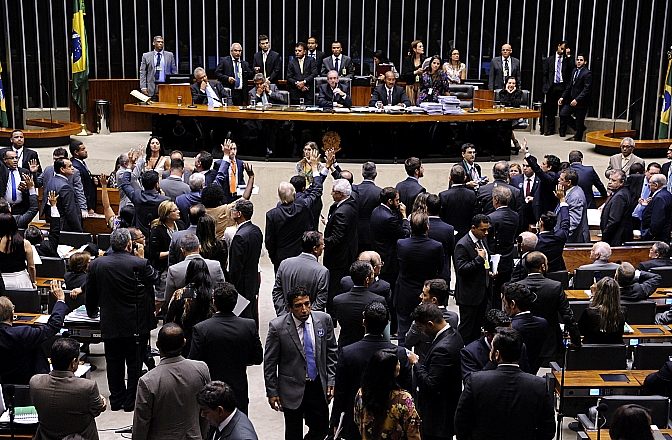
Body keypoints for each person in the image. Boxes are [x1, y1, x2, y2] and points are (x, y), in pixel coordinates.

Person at [86, 228, 159, 412]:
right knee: (135, 363)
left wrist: (91, 311)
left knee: (113, 362)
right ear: (129, 244)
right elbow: (154, 279)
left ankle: (116, 399)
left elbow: (90, 293)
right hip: (136, 323)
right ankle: (130, 401)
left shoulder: (97, 264)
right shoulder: (140, 263)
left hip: (111, 322)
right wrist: (141, 257)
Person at [454, 328, 556, 440]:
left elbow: (461, 422)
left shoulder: (475, 381)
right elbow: (548, 429)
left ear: (497, 354)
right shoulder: (539, 385)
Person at [264, 286, 338, 440]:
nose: (304, 310)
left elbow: (331, 351)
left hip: (317, 386)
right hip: (291, 389)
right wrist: (272, 391)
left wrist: (331, 379)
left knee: (322, 429)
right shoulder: (278, 327)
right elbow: (270, 362)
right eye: (298, 306)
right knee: (293, 434)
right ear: (290, 307)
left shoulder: (324, 320)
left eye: (307, 304)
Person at [331, 300, 412, 438]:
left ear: (364, 322)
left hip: (358, 422)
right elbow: (407, 389)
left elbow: (341, 392)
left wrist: (335, 420)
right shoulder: (400, 354)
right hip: (392, 425)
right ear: (387, 323)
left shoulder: (348, 353)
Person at [190, 282, 263, 415]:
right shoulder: (249, 326)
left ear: (214, 302)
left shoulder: (202, 329)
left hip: (211, 393)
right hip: (238, 391)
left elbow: (194, 362)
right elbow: (257, 358)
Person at [133, 323, 211, 440]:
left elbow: (141, 423)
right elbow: (206, 411)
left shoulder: (148, 381)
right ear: (184, 342)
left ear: (157, 344)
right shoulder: (201, 369)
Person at [30, 338, 106, 440]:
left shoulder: (35, 382)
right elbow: (98, 409)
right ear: (73, 362)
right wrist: (101, 399)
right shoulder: (87, 387)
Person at [407, 303, 463, 440]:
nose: (422, 332)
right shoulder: (454, 335)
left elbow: (431, 383)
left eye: (421, 327)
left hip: (438, 417)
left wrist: (416, 364)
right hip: (447, 408)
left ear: (430, 324)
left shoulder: (442, 350)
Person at [266, 151, 325, 273]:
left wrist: (274, 258)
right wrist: (315, 168)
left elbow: (269, 241)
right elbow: (317, 191)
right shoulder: (303, 206)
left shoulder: (271, 214)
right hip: (301, 256)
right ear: (294, 194)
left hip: (281, 258)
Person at [520, 252, 581, 367]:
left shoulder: (517, 286)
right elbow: (567, 315)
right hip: (550, 342)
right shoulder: (555, 286)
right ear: (543, 266)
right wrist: (576, 340)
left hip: (524, 340)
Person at [0, 280, 66, 384]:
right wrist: (60, 301)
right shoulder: (23, 334)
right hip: (28, 385)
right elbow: (52, 326)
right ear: (12, 315)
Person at [395, 212, 444, 347]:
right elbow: (440, 269)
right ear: (427, 227)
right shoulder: (436, 246)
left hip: (405, 293)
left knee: (403, 331)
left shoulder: (401, 244)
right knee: (427, 332)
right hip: (427, 293)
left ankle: (403, 356)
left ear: (411, 228)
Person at [354, 348, 421, 440]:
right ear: (390, 371)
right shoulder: (403, 399)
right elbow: (413, 432)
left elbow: (358, 420)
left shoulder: (361, 394)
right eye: (397, 363)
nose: (399, 364)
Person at [460, 309, 532, 381]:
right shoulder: (469, 353)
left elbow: (528, 377)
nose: (508, 337)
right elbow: (470, 383)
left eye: (511, 332)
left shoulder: (519, 346)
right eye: (503, 336)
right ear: (488, 335)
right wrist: (494, 360)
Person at [454, 214, 493, 344]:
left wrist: (489, 271)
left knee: (477, 328)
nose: (486, 233)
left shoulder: (482, 240)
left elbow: (485, 260)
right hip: (469, 296)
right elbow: (461, 269)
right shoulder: (462, 245)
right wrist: (479, 259)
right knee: (466, 329)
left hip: (482, 293)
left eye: (487, 229)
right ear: (473, 228)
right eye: (483, 230)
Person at [323, 178, 359, 318]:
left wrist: (321, 241)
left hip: (338, 258)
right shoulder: (352, 201)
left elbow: (336, 238)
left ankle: (332, 316)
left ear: (340, 194)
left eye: (333, 191)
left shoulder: (341, 213)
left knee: (334, 287)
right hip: (348, 253)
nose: (331, 193)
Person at [166, 258, 214, 357]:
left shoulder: (179, 294)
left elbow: (170, 319)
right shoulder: (212, 295)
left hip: (185, 341)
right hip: (207, 339)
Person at [333, 260, 386, 349]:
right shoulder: (379, 300)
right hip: (370, 348)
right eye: (372, 274)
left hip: (346, 346)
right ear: (367, 280)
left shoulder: (338, 301)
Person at [405, 278, 460, 362]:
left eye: (424, 294)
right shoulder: (453, 317)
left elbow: (409, 340)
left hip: (424, 364)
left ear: (434, 300)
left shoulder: (421, 321)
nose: (421, 296)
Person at [229, 199, 263, 322]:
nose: (232, 212)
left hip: (242, 285)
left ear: (239, 214)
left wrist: (232, 286)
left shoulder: (239, 237)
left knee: (242, 317)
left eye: (234, 210)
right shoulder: (256, 230)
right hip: (253, 280)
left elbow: (236, 267)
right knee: (252, 312)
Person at [370, 186, 410, 290]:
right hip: (389, 260)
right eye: (397, 200)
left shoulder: (375, 211)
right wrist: (404, 217)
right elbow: (404, 234)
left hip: (378, 252)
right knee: (389, 287)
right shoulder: (390, 219)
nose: (399, 203)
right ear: (390, 201)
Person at [121, 156, 170, 238]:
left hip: (139, 236)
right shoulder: (165, 200)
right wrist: (163, 198)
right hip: (158, 237)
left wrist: (129, 167)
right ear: (157, 184)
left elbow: (125, 184)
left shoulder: (137, 196)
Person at [165, 234, 225, 302]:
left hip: (185, 307)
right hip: (211, 306)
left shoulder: (174, 270)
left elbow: (168, 298)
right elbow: (222, 290)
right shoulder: (215, 265)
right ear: (200, 247)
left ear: (182, 250)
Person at [486, 186, 519, 309]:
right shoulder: (515, 216)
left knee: (493, 295)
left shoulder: (491, 218)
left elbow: (488, 240)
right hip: (508, 258)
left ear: (495, 199)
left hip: (494, 260)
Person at [149, 200, 181, 314]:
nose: (178, 211)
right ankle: (152, 317)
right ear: (167, 214)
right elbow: (154, 254)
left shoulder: (181, 225)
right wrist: (172, 252)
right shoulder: (157, 230)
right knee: (160, 300)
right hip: (163, 269)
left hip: (178, 267)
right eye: (175, 210)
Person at [578, 277, 626, 344]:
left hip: (591, 349)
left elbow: (581, 331)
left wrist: (593, 297)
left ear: (598, 293)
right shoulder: (622, 311)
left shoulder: (589, 312)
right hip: (615, 350)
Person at [523, 139, 561, 220]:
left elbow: (537, 170)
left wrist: (527, 154)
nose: (541, 165)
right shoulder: (549, 175)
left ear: (549, 167)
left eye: (543, 164)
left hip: (545, 213)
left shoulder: (552, 177)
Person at [558, 53, 592, 141]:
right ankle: (580, 128)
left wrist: (577, 99)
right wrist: (563, 97)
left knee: (579, 120)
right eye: (578, 60)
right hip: (571, 99)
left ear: (585, 62)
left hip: (581, 101)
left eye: (581, 60)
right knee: (563, 113)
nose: (579, 62)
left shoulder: (587, 73)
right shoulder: (574, 71)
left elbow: (586, 89)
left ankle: (578, 137)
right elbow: (570, 85)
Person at [439, 165, 477, 241]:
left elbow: (441, 216)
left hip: (449, 234)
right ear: (465, 178)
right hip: (467, 234)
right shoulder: (472, 194)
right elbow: (475, 214)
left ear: (450, 178)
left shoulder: (443, 196)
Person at [45, 157, 83, 232]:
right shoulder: (65, 187)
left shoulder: (52, 181)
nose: (73, 168)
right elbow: (70, 211)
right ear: (62, 169)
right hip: (66, 226)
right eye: (69, 166)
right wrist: (79, 230)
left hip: (55, 222)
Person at [542, 40, 571, 136]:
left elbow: (571, 69)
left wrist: (568, 56)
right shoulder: (549, 60)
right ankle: (550, 129)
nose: (562, 51)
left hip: (562, 86)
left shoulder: (566, 60)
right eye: (561, 48)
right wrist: (546, 86)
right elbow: (545, 74)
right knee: (550, 109)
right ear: (558, 46)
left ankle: (562, 130)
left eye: (564, 50)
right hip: (552, 86)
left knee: (563, 109)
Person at [0, 213, 36, 288]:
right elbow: (31, 267)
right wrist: (33, 281)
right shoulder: (25, 243)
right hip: (21, 281)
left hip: (2, 281)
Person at [426, 194, 455, 286]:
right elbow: (452, 252)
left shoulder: (422, 228)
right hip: (443, 273)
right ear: (441, 208)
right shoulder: (449, 229)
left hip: (425, 273)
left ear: (426, 208)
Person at [600, 169, 633, 246]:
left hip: (616, 238)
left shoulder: (620, 196)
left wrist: (605, 236)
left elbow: (614, 220)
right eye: (609, 179)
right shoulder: (620, 192)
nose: (610, 182)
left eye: (614, 180)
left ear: (622, 182)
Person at [139, 35, 178, 100]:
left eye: (162, 42)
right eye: (158, 42)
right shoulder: (146, 56)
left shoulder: (169, 55)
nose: (160, 44)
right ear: (153, 43)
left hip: (165, 85)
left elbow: (174, 71)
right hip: (151, 86)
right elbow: (143, 72)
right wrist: (143, 87)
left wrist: (175, 85)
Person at [558, 168, 590, 243]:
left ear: (569, 183)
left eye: (561, 179)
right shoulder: (570, 191)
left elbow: (572, 223)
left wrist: (559, 236)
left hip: (572, 240)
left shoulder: (576, 197)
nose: (558, 180)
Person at [1, 148, 35, 217]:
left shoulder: (24, 172)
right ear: (5, 160)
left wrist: (25, 189)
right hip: (4, 208)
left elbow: (33, 188)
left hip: (20, 208)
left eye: (16, 158)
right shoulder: (2, 172)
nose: (15, 160)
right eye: (12, 158)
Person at [510, 158, 540, 229]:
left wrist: (535, 199)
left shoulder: (540, 180)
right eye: (523, 165)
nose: (525, 168)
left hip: (534, 215)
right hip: (519, 216)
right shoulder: (515, 180)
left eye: (528, 166)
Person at [69, 140, 98, 213]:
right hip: (86, 206)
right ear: (76, 152)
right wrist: (89, 207)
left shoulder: (80, 163)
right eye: (83, 149)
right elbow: (81, 188)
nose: (86, 151)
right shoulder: (76, 167)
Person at [642, 174, 672, 241]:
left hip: (657, 238)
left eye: (650, 182)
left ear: (656, 185)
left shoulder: (659, 198)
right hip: (664, 235)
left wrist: (649, 235)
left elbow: (657, 221)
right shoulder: (667, 194)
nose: (648, 184)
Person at [498, 76, 525, 152]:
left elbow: (516, 104)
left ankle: (506, 146)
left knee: (505, 124)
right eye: (509, 83)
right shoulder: (502, 92)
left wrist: (511, 93)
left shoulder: (519, 93)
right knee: (504, 123)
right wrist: (507, 93)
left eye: (513, 83)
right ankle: (514, 141)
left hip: (516, 116)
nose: (511, 85)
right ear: (506, 84)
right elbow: (503, 103)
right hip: (504, 116)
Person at [401, 40, 426, 105]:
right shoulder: (408, 60)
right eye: (420, 47)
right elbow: (404, 74)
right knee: (410, 104)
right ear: (414, 49)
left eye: (422, 46)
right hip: (410, 85)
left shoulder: (424, 60)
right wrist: (415, 72)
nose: (422, 48)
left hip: (420, 85)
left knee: (420, 104)